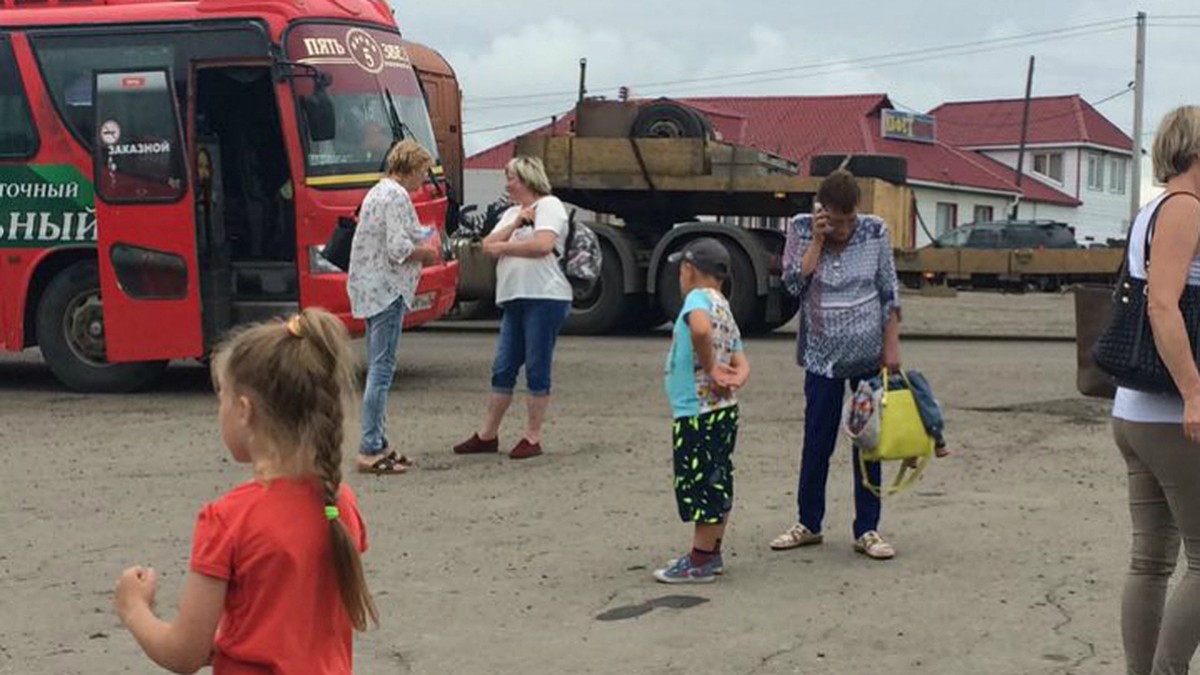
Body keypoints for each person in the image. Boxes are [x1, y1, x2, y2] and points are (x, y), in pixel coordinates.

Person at [113, 309, 375, 674]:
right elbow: (291, 618)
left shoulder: (227, 519)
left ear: (244, 411)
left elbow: (184, 653)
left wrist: (133, 608)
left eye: (222, 397)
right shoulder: (339, 502)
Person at [769, 169, 903, 560]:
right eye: (835, 220)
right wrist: (817, 240)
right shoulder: (800, 228)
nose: (843, 229)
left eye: (848, 221)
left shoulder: (875, 231)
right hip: (821, 357)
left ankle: (868, 528)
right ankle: (808, 523)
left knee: (868, 442)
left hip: (867, 355)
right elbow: (793, 284)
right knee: (817, 441)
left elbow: (888, 289)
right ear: (821, 210)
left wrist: (891, 346)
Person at [1110, 105, 1200, 675]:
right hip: (1171, 415)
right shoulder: (1187, 209)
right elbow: (1163, 304)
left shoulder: (1152, 209)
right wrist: (1194, 391)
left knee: (1150, 560)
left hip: (1135, 411)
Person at [453, 156, 573, 460]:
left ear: (527, 178)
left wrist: (504, 247)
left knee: (536, 366)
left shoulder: (550, 206)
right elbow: (485, 245)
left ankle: (532, 436)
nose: (507, 184)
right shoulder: (512, 213)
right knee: (503, 367)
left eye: (511, 178)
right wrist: (517, 224)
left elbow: (543, 245)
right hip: (513, 298)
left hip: (545, 297)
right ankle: (488, 434)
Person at [653, 238, 750, 583]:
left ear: (689, 270)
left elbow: (699, 329)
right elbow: (740, 357)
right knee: (717, 478)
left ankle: (700, 559)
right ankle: (712, 551)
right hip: (723, 410)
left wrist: (709, 367)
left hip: (697, 412)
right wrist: (734, 375)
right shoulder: (723, 304)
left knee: (699, 484)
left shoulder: (696, 299)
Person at [348, 139, 439, 474]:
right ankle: (370, 448)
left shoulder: (378, 191)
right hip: (387, 289)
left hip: (368, 288)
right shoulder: (398, 195)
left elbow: (408, 231)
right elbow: (399, 247)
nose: (424, 180)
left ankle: (380, 442)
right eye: (423, 172)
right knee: (381, 370)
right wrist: (429, 252)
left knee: (378, 367)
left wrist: (426, 233)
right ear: (412, 168)